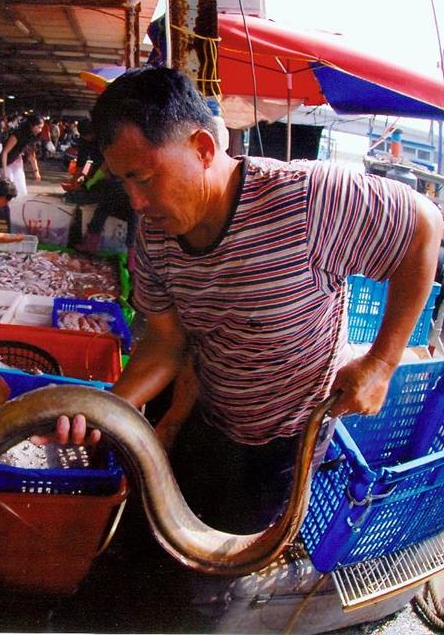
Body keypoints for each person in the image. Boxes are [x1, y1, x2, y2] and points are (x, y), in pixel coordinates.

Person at [48, 65, 442, 555]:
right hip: (207, 415)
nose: (137, 201)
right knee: (166, 538)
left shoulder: (307, 201)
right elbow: (166, 343)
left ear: (202, 148)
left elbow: (424, 226)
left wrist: (381, 364)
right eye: (123, 181)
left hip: (286, 441)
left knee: (228, 557)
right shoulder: (155, 237)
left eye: (144, 178)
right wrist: (107, 409)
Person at [0, 114, 44, 196]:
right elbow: (5, 152)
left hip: (17, 163)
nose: (40, 130)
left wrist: (36, 172)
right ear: (31, 125)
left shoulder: (32, 136)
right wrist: (5, 173)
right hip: (7, 163)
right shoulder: (17, 134)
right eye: (39, 127)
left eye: (41, 128)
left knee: (21, 191)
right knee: (9, 192)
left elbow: (32, 155)